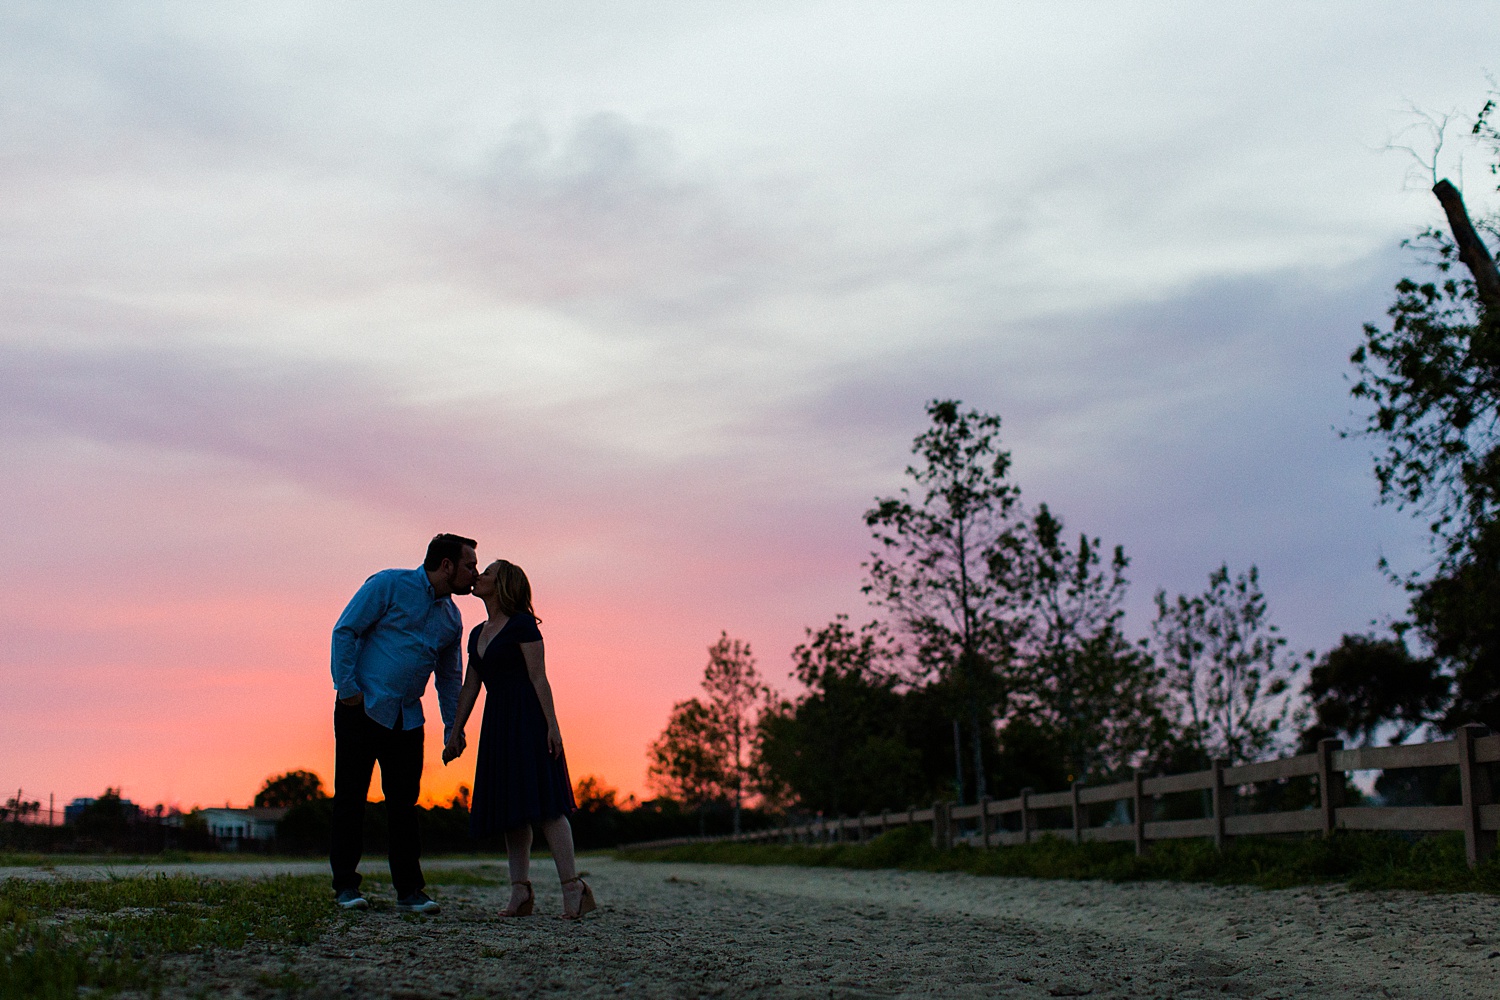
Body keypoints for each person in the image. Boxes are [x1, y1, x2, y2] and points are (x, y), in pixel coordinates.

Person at [328, 533, 478, 913]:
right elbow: (345, 630)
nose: (474, 574)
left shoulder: (452, 618)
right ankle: (346, 887)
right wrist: (347, 689)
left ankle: (410, 892)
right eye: (469, 565)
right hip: (362, 709)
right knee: (350, 799)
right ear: (447, 565)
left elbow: (448, 675)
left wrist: (452, 727)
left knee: (404, 807)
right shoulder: (389, 584)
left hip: (408, 719)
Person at [443, 559, 596, 919]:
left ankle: (573, 887)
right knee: (512, 812)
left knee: (547, 805)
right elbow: (470, 686)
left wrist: (552, 726)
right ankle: (520, 893)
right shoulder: (477, 632)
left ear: (503, 584)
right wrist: (456, 729)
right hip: (497, 723)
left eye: (487, 573)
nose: (478, 576)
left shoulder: (523, 624)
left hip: (528, 719)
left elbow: (539, 677)